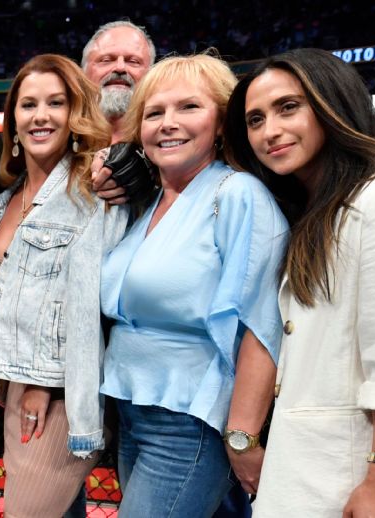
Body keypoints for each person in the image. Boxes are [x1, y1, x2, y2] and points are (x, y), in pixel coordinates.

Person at [227, 48, 375, 518]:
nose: (270, 131)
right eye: (255, 120)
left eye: (288, 107)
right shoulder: (316, 212)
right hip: (307, 472)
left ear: (334, 105)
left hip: (361, 480)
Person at [98, 54, 288, 517]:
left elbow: (262, 324)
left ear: (221, 123)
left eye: (188, 107)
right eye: (154, 112)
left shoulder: (238, 194)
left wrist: (242, 436)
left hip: (191, 422)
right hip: (130, 411)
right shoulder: (145, 201)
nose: (168, 123)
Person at [0, 53, 125, 518]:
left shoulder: (95, 189)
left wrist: (46, 386)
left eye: (55, 103)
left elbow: (88, 301)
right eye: (28, 105)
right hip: (15, 383)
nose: (40, 116)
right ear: (13, 120)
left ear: (75, 113)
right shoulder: (7, 196)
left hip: (60, 392)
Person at [81, 21, 155, 144]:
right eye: (106, 60)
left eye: (133, 61)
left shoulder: (163, 138)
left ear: (151, 74)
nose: (120, 68)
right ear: (83, 72)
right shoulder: (61, 140)